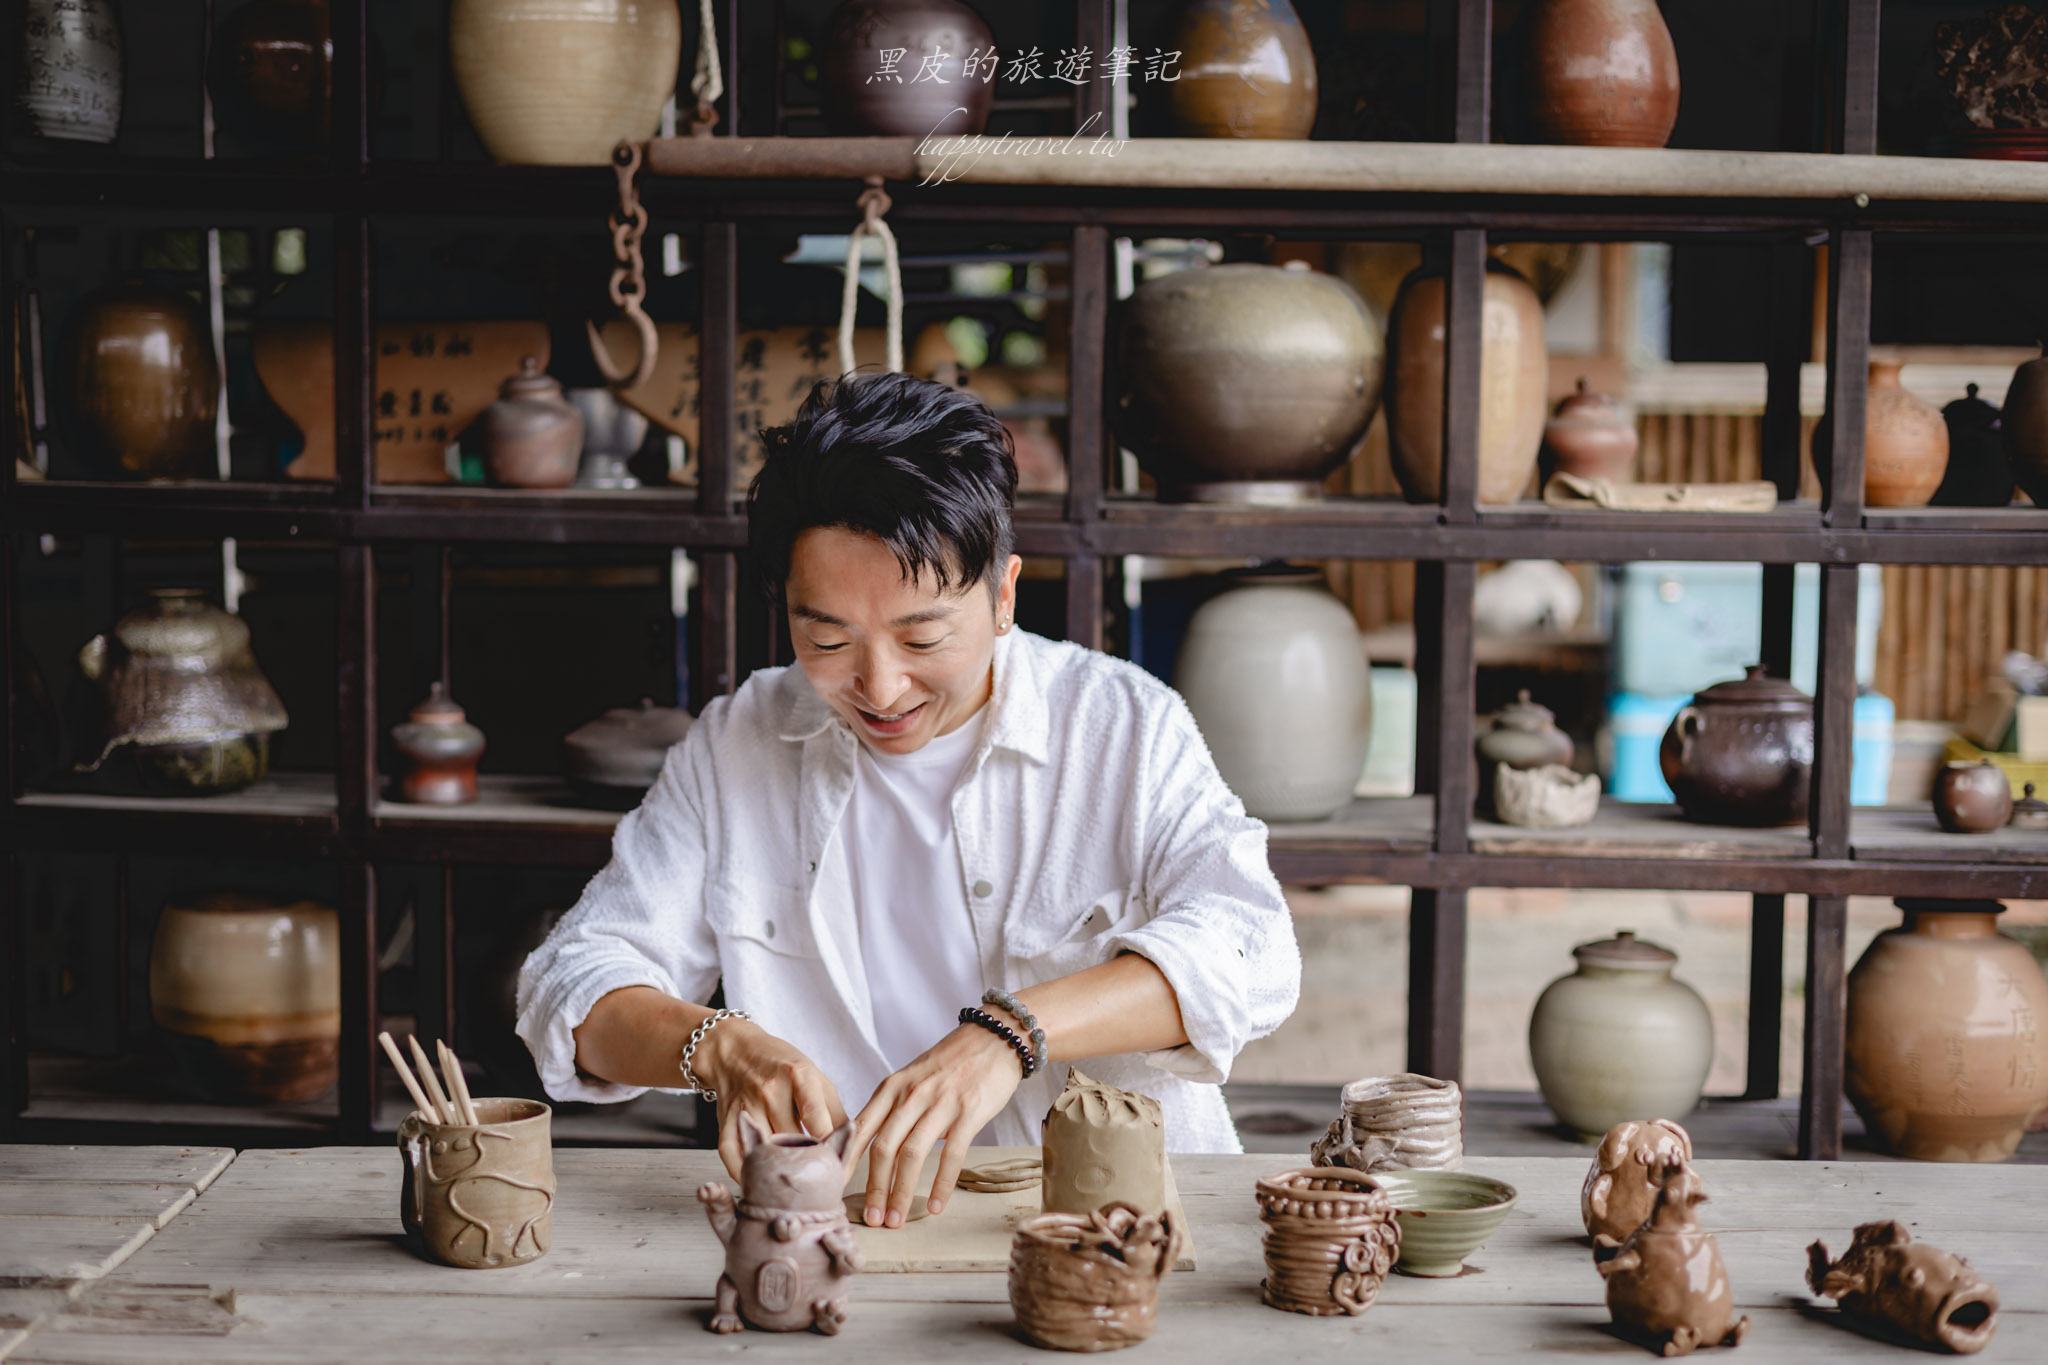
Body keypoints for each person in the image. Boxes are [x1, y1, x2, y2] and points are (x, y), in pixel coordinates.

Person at [516, 371, 1299, 1229]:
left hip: (1110, 1225)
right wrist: (720, 1046)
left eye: (922, 636)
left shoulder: (1123, 725)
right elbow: (572, 985)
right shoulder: (738, 740)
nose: (879, 686)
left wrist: (1012, 1034)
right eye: (826, 637)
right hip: (844, 1231)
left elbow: (1253, 949)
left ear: (1003, 594)